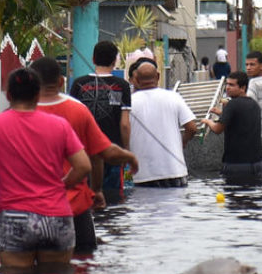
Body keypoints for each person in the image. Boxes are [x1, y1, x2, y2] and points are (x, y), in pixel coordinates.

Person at [0, 67, 91, 268]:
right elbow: (84, 166)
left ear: (8, 95)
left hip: (14, 216)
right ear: (37, 94)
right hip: (56, 215)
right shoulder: (59, 125)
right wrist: (63, 185)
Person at [30, 56, 138, 255]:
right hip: (73, 207)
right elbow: (98, 154)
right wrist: (96, 189)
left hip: (28, 209)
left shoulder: (17, 114)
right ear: (62, 81)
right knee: (83, 267)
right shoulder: (78, 110)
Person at [70, 41, 134, 203]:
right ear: (115, 61)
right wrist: (125, 150)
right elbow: (124, 124)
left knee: (86, 197)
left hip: (83, 153)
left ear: (93, 59)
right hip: (112, 150)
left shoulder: (79, 84)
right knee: (113, 199)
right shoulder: (122, 86)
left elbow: (72, 121)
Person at [127, 60, 198, 188]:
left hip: (144, 174)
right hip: (175, 171)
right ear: (158, 77)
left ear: (136, 79)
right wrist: (183, 142)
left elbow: (124, 130)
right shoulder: (174, 97)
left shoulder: (129, 103)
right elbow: (192, 128)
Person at [200, 71, 262, 186]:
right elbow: (240, 120)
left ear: (243, 88)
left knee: (234, 199)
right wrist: (222, 114)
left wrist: (207, 121)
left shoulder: (232, 105)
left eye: (232, 85)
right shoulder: (254, 105)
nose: (227, 88)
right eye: (227, 85)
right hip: (257, 164)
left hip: (236, 165)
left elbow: (217, 129)